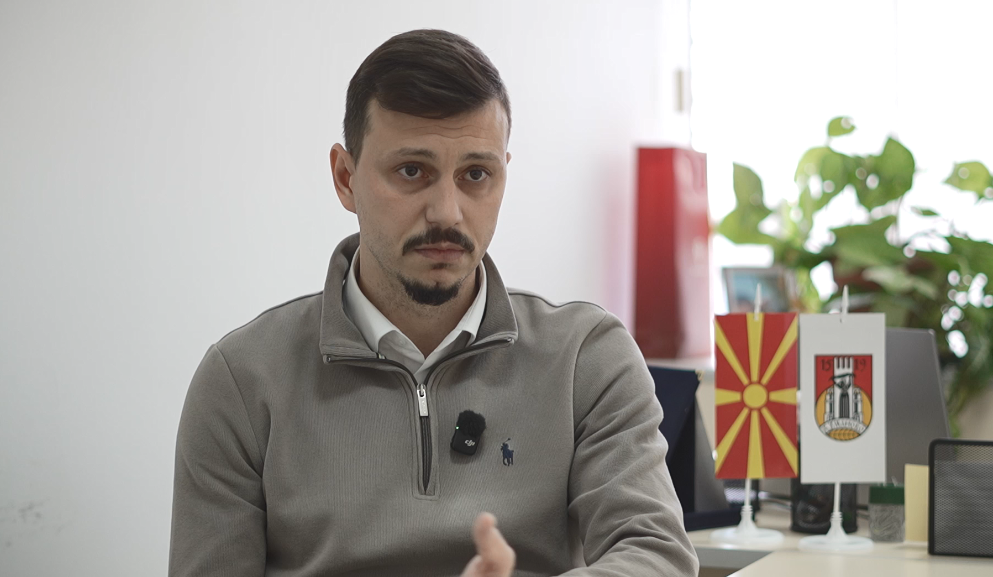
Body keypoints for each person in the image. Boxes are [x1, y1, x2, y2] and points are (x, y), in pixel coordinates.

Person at [169, 29, 698, 577]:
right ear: (346, 178)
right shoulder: (242, 381)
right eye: (412, 171)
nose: (447, 211)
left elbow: (656, 555)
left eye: (476, 175)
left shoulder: (585, 358)